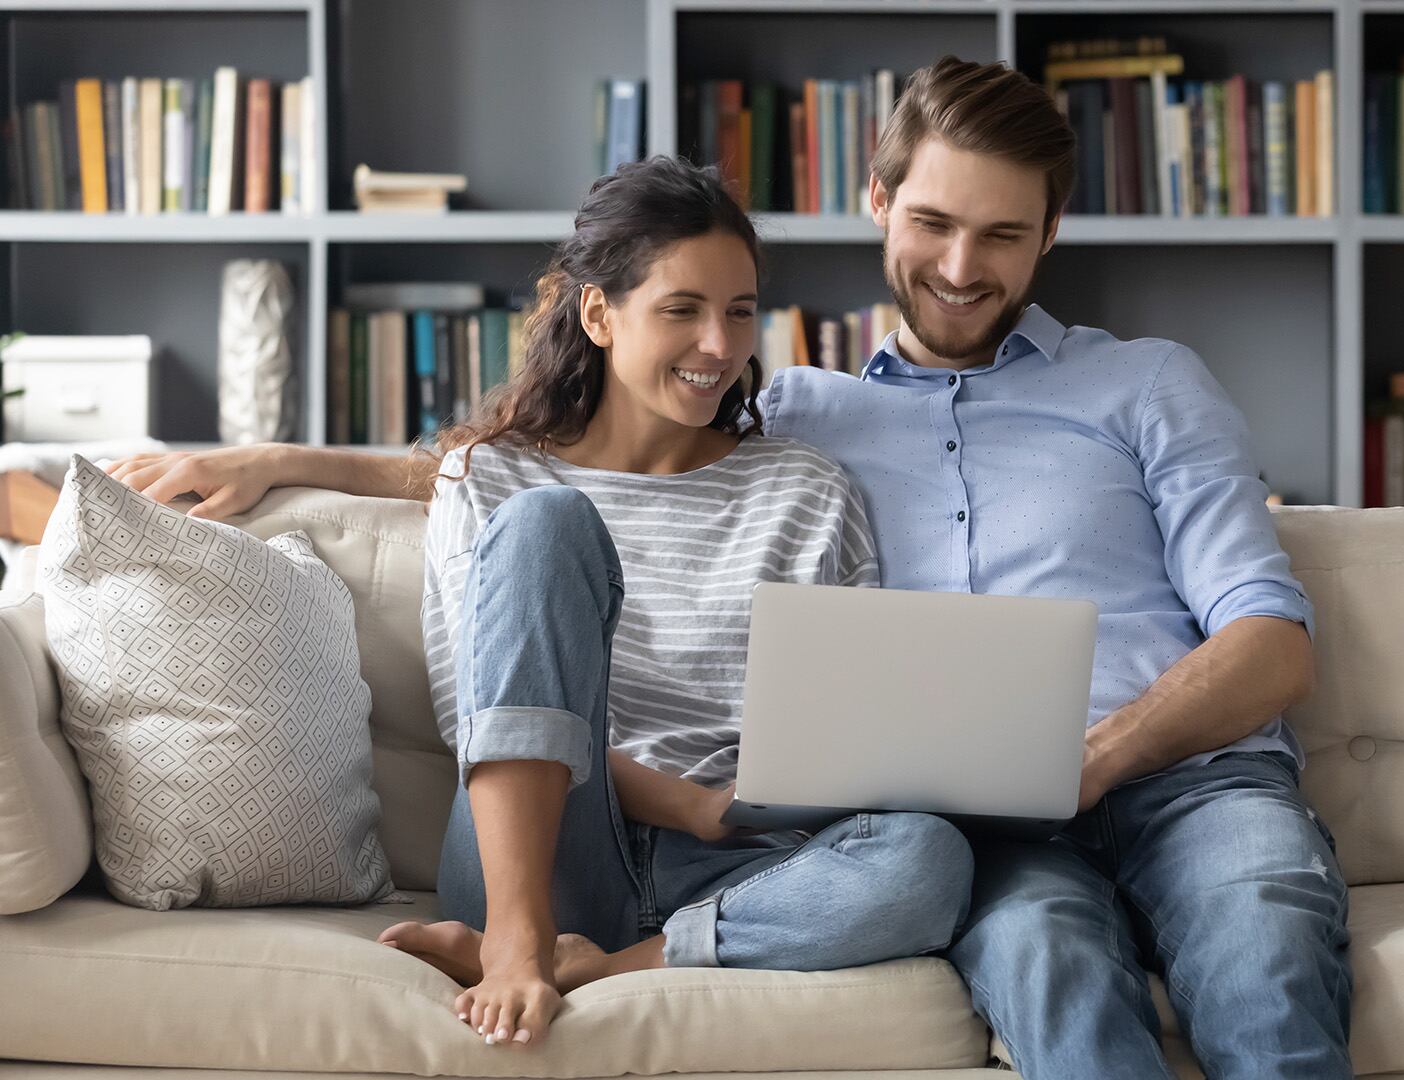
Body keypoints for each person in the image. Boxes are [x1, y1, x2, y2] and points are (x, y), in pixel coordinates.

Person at [109, 58, 1349, 1080]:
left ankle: (598, 962)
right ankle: (530, 937)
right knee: (1040, 961)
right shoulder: (760, 425)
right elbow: (538, 485)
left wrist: (1077, 763)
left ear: (1049, 237)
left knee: (1174, 919)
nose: (963, 265)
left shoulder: (1044, 404)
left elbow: (1270, 639)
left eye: (1002, 234)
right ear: (878, 202)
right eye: (933, 223)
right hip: (731, 823)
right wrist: (282, 458)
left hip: (1140, 788)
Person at [113, 158, 977, 1050]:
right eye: (682, 309)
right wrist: (686, 804)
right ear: (599, 314)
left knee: (931, 858)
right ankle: (518, 938)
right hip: (543, 845)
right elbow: (481, 718)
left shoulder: (809, 491)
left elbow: (849, 734)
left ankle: (611, 965)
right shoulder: (493, 476)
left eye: (741, 311)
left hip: (740, 870)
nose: (721, 345)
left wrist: (765, 808)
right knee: (547, 524)